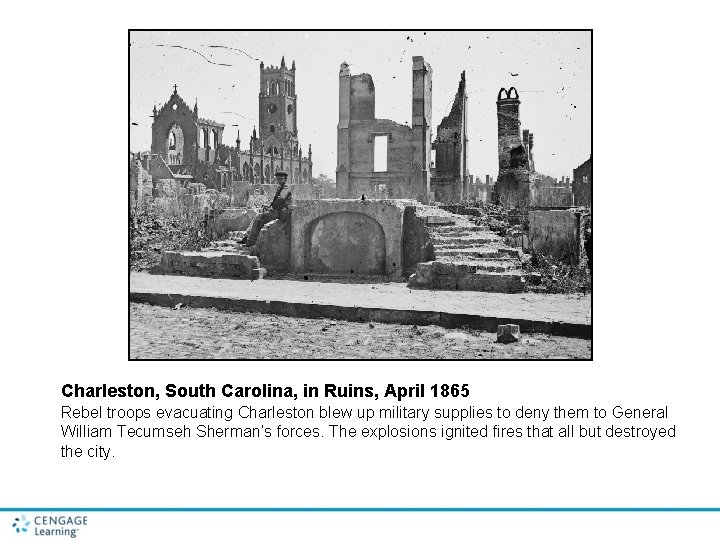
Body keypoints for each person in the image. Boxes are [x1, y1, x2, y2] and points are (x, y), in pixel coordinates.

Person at [241, 171, 292, 246]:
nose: (278, 181)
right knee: (257, 216)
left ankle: (250, 241)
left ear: (285, 179)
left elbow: (281, 199)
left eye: (280, 179)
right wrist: (268, 206)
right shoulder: (280, 187)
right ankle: (246, 237)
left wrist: (272, 207)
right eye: (277, 179)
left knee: (259, 218)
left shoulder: (286, 187)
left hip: (282, 212)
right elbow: (276, 200)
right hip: (278, 210)